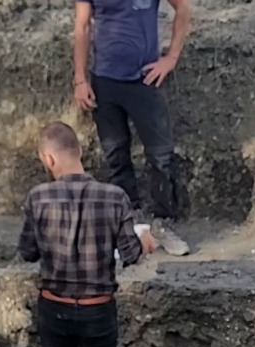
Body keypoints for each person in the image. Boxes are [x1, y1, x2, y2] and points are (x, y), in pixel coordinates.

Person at [17, 121, 155, 347]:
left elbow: (27, 252)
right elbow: (130, 254)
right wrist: (145, 242)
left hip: (54, 306)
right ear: (80, 151)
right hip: (97, 308)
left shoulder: (38, 197)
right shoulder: (114, 196)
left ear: (48, 159)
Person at [73, 0, 192, 257]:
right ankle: (130, 225)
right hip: (104, 82)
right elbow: (82, 26)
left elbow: (183, 7)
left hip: (144, 80)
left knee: (161, 156)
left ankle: (163, 224)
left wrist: (171, 58)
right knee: (116, 155)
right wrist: (80, 79)